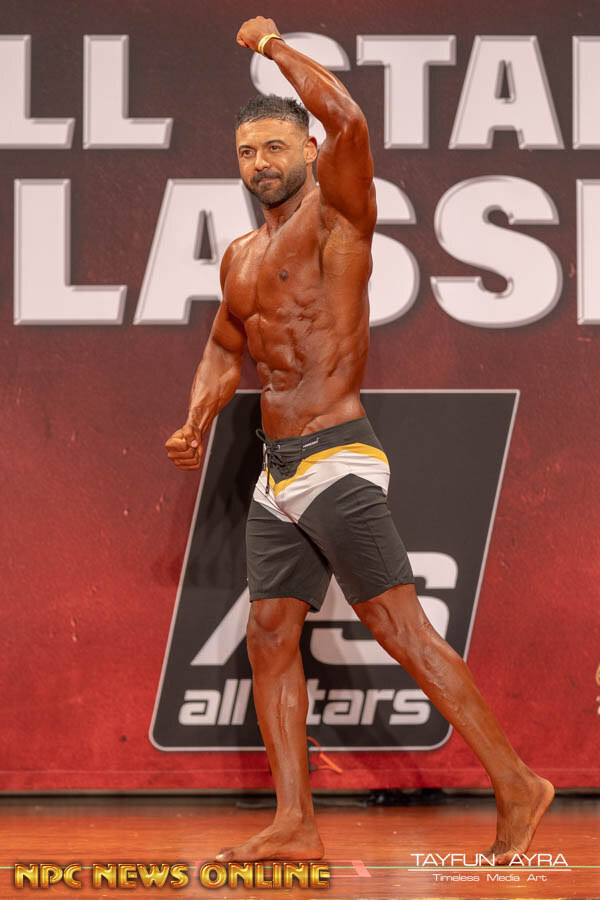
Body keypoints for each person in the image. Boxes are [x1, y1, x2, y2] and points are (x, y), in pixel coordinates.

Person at [164, 15, 554, 864]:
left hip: (335, 455)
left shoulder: (339, 214)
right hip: (275, 473)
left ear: (306, 149)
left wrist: (272, 47)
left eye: (275, 147)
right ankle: (295, 823)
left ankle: (518, 782)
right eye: (247, 153)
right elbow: (225, 349)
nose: (260, 163)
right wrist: (199, 416)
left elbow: (348, 119)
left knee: (399, 627)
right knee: (269, 634)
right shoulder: (240, 256)